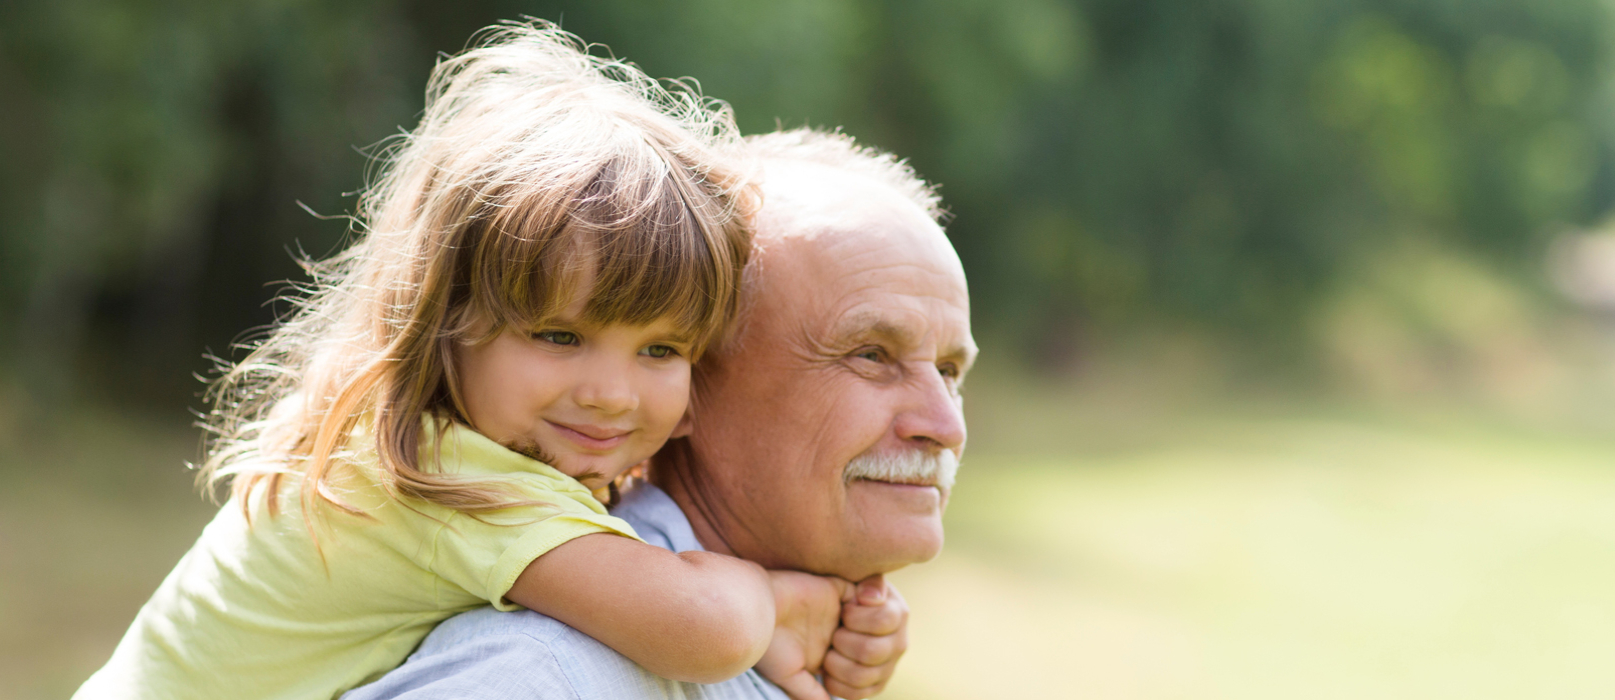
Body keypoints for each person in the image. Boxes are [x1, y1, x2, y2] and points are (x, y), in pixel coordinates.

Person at [75, 24, 894, 700]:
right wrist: (769, 599)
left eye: (660, 349)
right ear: (445, 322)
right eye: (560, 336)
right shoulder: (454, 485)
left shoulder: (397, 438)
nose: (610, 394)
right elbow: (701, 631)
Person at [344, 126, 976, 700]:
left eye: (950, 371)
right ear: (691, 385)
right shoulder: (545, 675)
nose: (945, 426)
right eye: (870, 354)